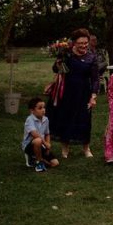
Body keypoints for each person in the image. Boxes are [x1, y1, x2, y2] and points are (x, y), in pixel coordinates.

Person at [47, 28, 99, 159]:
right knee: (66, 118)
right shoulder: (66, 54)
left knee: (85, 120)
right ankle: (65, 148)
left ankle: (86, 148)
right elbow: (55, 69)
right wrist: (59, 62)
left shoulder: (92, 57)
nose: (84, 45)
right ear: (74, 43)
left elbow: (95, 78)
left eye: (86, 42)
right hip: (66, 91)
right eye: (80, 43)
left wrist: (93, 96)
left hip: (83, 92)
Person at [22, 97, 60, 172]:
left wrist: (48, 146)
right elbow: (34, 134)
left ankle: (35, 158)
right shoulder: (30, 119)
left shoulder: (46, 119)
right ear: (32, 111)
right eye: (40, 108)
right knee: (38, 140)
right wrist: (45, 144)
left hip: (42, 145)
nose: (43, 110)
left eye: (44, 107)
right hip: (30, 145)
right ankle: (38, 163)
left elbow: (47, 134)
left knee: (55, 163)